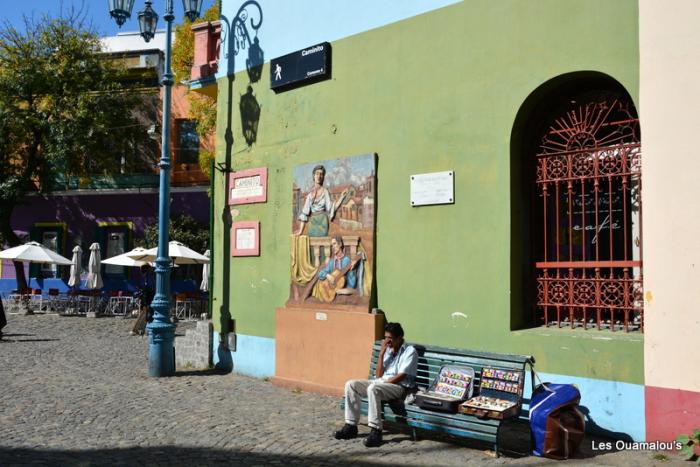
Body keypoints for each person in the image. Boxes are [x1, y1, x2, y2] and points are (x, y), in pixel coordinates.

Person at [334, 322, 418, 447]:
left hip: (399, 387)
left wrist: (384, 382)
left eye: (390, 338)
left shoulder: (409, 351)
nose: (387, 341)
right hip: (381, 383)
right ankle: (351, 427)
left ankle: (376, 431)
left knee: (374, 388)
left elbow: (402, 375)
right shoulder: (388, 350)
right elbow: (378, 375)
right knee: (351, 384)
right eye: (385, 338)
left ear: (400, 338)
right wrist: (382, 354)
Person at [295, 165, 348, 237]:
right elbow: (304, 213)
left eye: (321, 174)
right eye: (317, 173)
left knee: (322, 243)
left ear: (323, 177)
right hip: (313, 222)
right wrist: (300, 231)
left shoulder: (325, 192)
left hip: (323, 222)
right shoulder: (310, 195)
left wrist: (342, 197)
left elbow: (332, 208)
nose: (319, 176)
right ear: (313, 176)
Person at [315, 235, 357, 302]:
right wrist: (327, 275)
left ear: (340, 244)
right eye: (332, 245)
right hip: (331, 289)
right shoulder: (332, 262)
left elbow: (352, 284)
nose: (333, 247)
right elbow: (320, 273)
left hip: (342, 288)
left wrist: (351, 271)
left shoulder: (347, 261)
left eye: (334, 244)